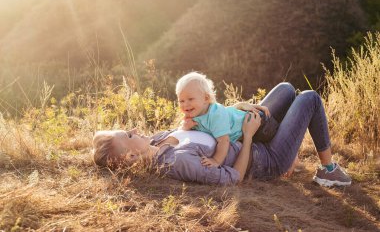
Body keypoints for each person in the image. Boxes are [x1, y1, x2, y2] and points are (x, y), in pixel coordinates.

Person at [93, 82, 352, 187]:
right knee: (309, 99)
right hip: (266, 158)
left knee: (286, 89)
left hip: (245, 135)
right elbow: (233, 178)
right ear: (130, 157)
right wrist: (249, 136)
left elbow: (212, 123)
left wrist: (237, 109)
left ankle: (290, 145)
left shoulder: (157, 141)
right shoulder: (177, 161)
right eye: (128, 134)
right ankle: (328, 171)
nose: (135, 130)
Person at [176, 72, 277, 167]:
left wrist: (216, 160)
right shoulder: (194, 112)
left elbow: (224, 141)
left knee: (276, 133)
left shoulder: (215, 115)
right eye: (181, 101)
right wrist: (185, 127)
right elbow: (181, 132)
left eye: (190, 99)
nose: (185, 105)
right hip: (247, 128)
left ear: (206, 99)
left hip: (260, 125)